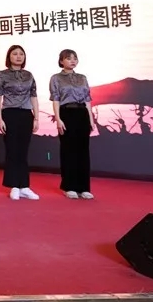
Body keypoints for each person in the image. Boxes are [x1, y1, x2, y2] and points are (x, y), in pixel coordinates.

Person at [0, 45, 40, 200]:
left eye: (21, 54)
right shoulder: (2, 75)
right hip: (9, 113)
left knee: (23, 151)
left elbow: (34, 97)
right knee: (12, 150)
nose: (18, 56)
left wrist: (36, 117)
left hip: (26, 114)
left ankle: (24, 186)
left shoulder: (29, 75)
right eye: (15, 54)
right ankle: (14, 186)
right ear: (9, 57)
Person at [49, 49, 95, 200]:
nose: (72, 60)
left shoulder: (82, 78)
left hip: (82, 113)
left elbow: (87, 99)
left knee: (83, 151)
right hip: (66, 113)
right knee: (68, 150)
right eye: (68, 58)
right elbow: (55, 99)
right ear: (61, 61)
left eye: (75, 58)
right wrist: (58, 118)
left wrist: (91, 119)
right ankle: (68, 186)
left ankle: (84, 187)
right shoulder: (56, 78)